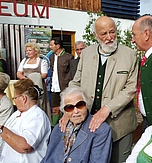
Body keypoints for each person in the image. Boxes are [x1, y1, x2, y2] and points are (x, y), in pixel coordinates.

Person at [67, 16, 138, 163]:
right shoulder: (86, 54)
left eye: (112, 32)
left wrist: (107, 108)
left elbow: (130, 89)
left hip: (120, 126)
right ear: (95, 35)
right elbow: (76, 83)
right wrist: (67, 108)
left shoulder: (130, 55)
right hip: (89, 124)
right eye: (103, 34)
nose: (109, 37)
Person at [0, 79, 51, 163]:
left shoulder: (37, 116)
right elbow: (9, 136)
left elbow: (25, 146)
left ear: (24, 98)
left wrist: (0, 129)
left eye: (15, 98)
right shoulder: (16, 114)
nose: (14, 101)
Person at [41, 86, 112, 163]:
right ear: (64, 111)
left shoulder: (101, 131)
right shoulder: (58, 128)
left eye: (80, 105)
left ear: (87, 105)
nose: (75, 111)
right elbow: (47, 158)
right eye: (69, 107)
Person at [16, 42, 51, 122]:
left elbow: (44, 75)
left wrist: (33, 78)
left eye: (29, 50)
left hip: (37, 86)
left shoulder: (42, 62)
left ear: (36, 51)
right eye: (26, 50)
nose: (27, 52)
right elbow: (18, 73)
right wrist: (25, 79)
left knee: (38, 103)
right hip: (25, 86)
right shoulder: (24, 61)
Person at [49, 37, 74, 127]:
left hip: (65, 87)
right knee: (55, 109)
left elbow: (72, 73)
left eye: (52, 45)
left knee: (66, 108)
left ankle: (67, 125)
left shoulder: (69, 57)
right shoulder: (51, 57)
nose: (50, 47)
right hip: (54, 87)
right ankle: (55, 127)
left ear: (58, 46)